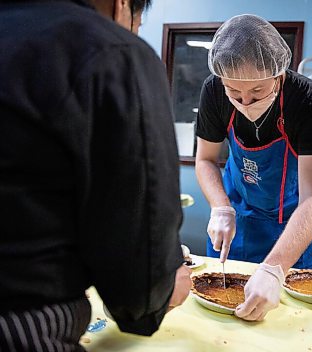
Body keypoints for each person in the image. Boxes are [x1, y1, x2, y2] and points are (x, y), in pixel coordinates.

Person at [0, 0, 191, 350]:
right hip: (22, 327)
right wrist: (163, 287)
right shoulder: (113, 52)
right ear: (122, 7)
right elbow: (140, 278)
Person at [195, 14, 312, 321]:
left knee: (283, 320)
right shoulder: (214, 91)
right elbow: (205, 159)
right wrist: (220, 207)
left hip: (292, 223)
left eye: (257, 91)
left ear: (278, 74)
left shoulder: (309, 103)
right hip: (237, 216)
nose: (245, 102)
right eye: (235, 92)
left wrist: (274, 269)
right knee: (218, 313)